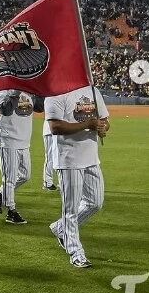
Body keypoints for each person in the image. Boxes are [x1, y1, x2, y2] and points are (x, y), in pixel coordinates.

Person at [45, 86, 109, 268]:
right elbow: (55, 126)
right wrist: (88, 125)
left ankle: (60, 228)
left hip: (91, 158)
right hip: (68, 159)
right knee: (70, 210)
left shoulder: (93, 91)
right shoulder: (56, 92)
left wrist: (103, 127)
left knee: (95, 203)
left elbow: (104, 119)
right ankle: (75, 252)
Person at [0, 90, 43, 224]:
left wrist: (39, 90)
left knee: (25, 175)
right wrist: (16, 91)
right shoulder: (2, 91)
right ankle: (11, 211)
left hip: (24, 140)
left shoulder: (28, 90)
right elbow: (5, 110)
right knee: (9, 178)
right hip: (7, 139)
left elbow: (40, 108)